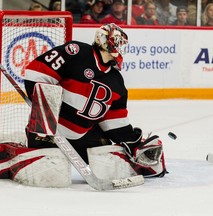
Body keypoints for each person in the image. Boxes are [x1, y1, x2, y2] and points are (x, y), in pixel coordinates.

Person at [23, 23, 166, 177]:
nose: (121, 48)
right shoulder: (76, 53)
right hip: (49, 133)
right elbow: (36, 73)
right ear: (104, 40)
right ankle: (34, 141)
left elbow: (115, 124)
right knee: (50, 175)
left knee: (109, 159)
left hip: (81, 137)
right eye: (118, 42)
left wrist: (132, 141)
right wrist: (45, 118)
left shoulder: (116, 82)